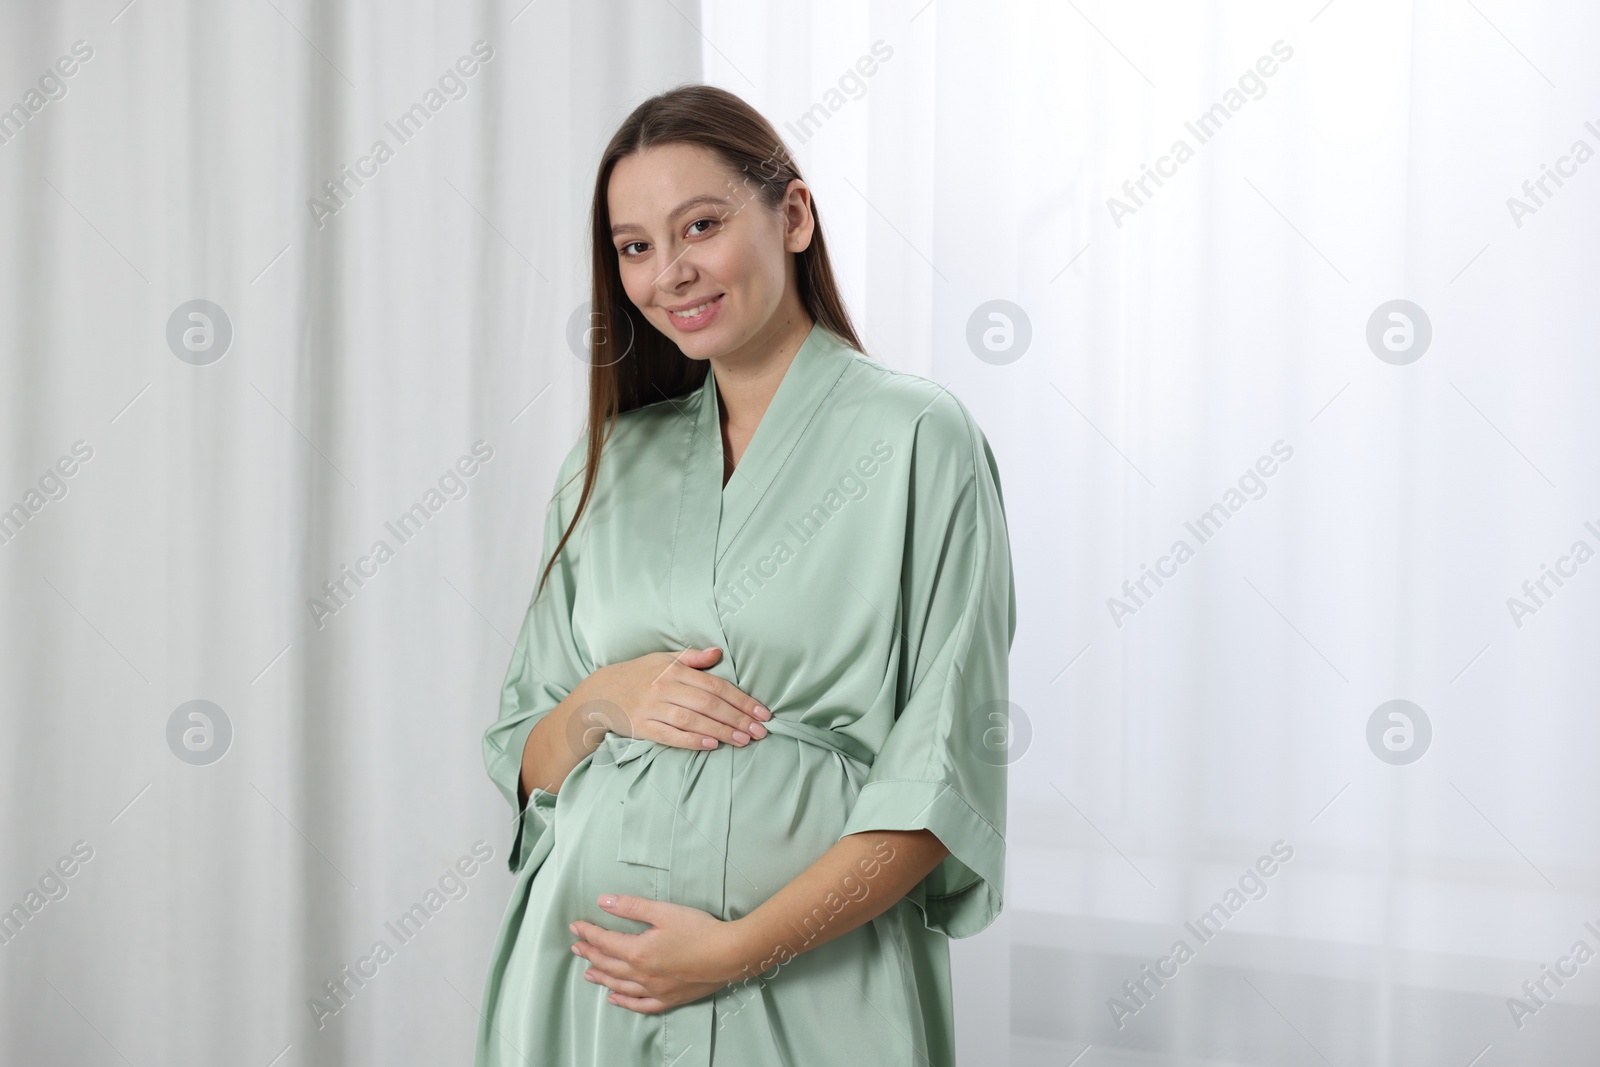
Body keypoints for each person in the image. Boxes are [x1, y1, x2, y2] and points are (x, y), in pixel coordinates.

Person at [474, 82, 1015, 1067]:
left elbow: (938, 782)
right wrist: (601, 700)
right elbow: (525, 757)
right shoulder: (610, 460)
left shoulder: (917, 439)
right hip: (592, 987)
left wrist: (731, 951)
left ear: (793, 216)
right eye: (634, 245)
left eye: (702, 225)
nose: (668, 271)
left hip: (814, 986)